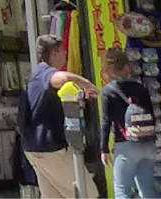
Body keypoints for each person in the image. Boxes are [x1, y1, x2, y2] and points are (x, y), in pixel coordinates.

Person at [20, 33, 97, 199]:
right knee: (87, 193)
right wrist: (88, 85)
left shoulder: (34, 75)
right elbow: (63, 78)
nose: (66, 54)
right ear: (54, 53)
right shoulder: (46, 73)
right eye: (63, 51)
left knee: (53, 196)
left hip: (33, 147)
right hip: (51, 148)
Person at [101, 47, 161, 198]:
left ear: (108, 70)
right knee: (147, 190)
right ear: (128, 67)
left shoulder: (108, 91)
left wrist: (104, 149)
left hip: (125, 145)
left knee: (122, 191)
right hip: (147, 145)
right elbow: (153, 116)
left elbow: (106, 122)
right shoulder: (141, 88)